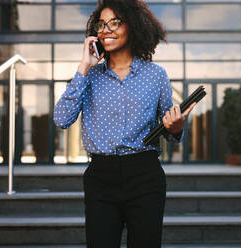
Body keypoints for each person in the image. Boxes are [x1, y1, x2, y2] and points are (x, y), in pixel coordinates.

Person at [54, 0, 196, 247]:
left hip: (145, 175)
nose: (106, 29)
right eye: (101, 24)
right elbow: (62, 119)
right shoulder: (88, 76)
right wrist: (84, 66)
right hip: (101, 177)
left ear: (133, 26)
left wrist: (176, 127)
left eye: (115, 23)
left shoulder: (156, 75)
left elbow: (171, 126)